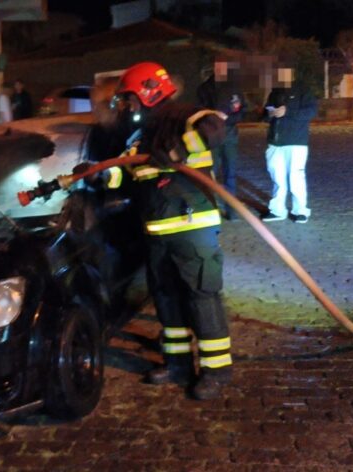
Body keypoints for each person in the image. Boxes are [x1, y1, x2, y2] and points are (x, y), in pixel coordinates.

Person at [101, 62, 233, 400]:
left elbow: (216, 128)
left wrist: (177, 151)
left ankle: (216, 370)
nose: (126, 106)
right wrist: (99, 173)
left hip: (192, 227)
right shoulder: (141, 134)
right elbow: (125, 173)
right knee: (166, 297)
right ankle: (177, 364)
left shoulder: (183, 116)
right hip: (157, 232)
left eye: (129, 99)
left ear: (147, 92)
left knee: (201, 296)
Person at [261, 66, 318, 223]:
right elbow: (265, 114)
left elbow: (311, 112)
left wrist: (287, 112)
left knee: (296, 177)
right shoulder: (275, 91)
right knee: (277, 178)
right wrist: (269, 113)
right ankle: (277, 210)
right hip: (275, 143)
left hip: (296, 142)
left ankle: (301, 211)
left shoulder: (303, 90)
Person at [197, 60, 245, 220]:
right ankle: (207, 209)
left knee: (230, 174)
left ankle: (230, 210)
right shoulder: (205, 88)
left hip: (230, 136)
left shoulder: (234, 88)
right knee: (209, 175)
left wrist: (229, 118)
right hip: (211, 137)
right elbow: (199, 112)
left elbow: (242, 111)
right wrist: (213, 116)